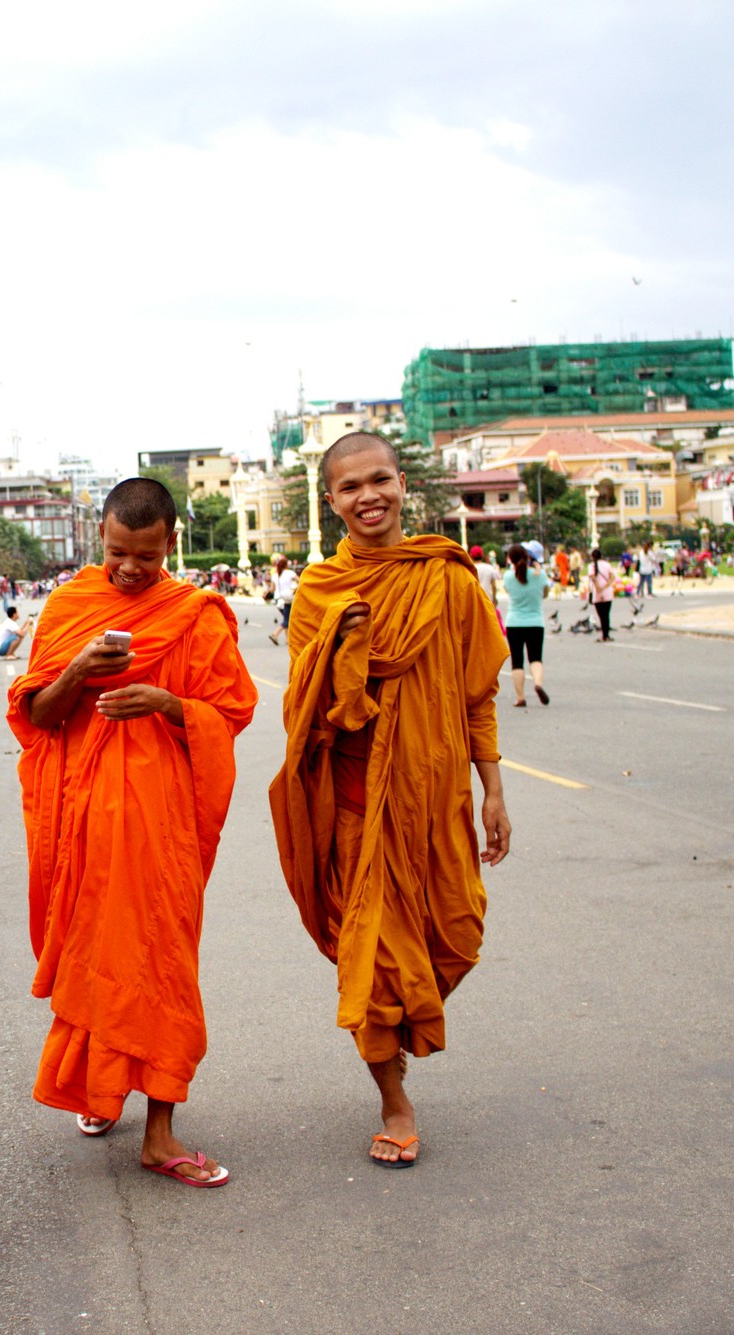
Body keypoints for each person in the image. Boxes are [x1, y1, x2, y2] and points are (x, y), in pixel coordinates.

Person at [268, 432, 510, 1171]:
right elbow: (308, 709)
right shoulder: (319, 593)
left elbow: (476, 694)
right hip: (353, 801)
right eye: (350, 487)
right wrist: (341, 650)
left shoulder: (450, 580)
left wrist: (493, 787)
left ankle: (405, 1032)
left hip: (435, 797)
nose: (367, 496)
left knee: (457, 931)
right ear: (331, 501)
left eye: (379, 480)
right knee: (369, 960)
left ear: (402, 483)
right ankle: (393, 1099)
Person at [10, 478, 256, 1187]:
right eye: (118, 552)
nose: (128, 569)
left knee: (162, 967)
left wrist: (169, 703)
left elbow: (231, 710)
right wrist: (79, 668)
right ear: (102, 537)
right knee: (98, 961)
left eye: (144, 558)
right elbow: (39, 717)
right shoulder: (70, 608)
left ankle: (161, 1132)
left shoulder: (194, 615)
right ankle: (102, 1088)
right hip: (86, 830)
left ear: (169, 546)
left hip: (162, 830)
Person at [504, 545, 549, 707]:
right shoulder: (540, 575)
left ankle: (520, 697)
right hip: (536, 622)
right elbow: (545, 594)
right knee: (536, 658)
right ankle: (538, 683)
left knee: (517, 661)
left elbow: (509, 591)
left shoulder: (508, 577)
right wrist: (537, 572)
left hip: (514, 623)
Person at [266, 554, 297, 646]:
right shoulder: (290, 573)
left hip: (278, 599)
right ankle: (275, 634)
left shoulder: (275, 575)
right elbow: (301, 581)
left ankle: (288, 639)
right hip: (288, 598)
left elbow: (272, 589)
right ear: (286, 565)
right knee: (288, 619)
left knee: (287, 618)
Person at [589, 548, 617, 642]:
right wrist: (606, 587)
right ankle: (606, 635)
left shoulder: (591, 566)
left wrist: (599, 590)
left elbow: (593, 579)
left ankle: (604, 635)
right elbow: (612, 577)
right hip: (608, 592)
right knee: (606, 615)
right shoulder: (607, 564)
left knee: (601, 616)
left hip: (597, 594)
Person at [471, 545, 501, 609]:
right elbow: (494, 586)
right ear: (482, 556)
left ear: (471, 556)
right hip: (488, 599)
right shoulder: (489, 568)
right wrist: (494, 599)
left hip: (474, 601)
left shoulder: (469, 569)